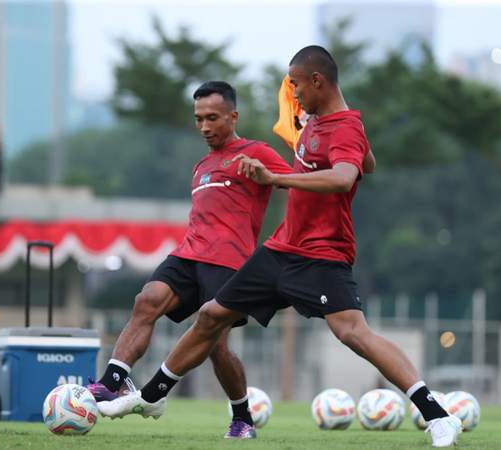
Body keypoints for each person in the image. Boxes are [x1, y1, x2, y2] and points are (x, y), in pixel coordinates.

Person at [97, 46, 463, 448]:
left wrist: (277, 178)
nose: (293, 92)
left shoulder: (342, 127)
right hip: (280, 248)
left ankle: (437, 415)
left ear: (317, 81)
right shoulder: (320, 122)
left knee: (353, 334)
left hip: (322, 253)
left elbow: (344, 178)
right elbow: (368, 163)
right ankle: (149, 398)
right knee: (210, 317)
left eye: (296, 84)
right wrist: (329, 135)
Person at [86, 81, 293, 439]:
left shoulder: (256, 151)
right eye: (199, 119)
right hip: (187, 254)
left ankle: (242, 419)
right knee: (145, 300)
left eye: (213, 118)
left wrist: (275, 195)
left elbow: (300, 184)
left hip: (229, 262)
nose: (205, 127)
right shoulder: (200, 166)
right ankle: (111, 383)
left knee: (217, 346)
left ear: (233, 116)